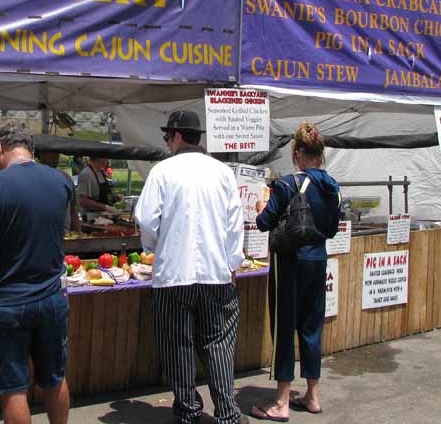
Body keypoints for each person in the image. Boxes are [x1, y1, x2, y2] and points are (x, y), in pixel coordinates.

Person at [135, 110, 248, 424]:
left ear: (177, 135)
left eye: (167, 137)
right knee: (219, 346)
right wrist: (233, 262)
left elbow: (145, 219)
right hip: (216, 273)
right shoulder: (222, 172)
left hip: (174, 275)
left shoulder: (163, 171)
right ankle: (227, 412)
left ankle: (188, 411)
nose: (167, 143)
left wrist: (155, 248)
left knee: (178, 345)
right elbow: (234, 224)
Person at [0, 121, 72, 424]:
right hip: (53, 298)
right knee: (54, 379)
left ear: (0, 147)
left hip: (9, 302)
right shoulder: (62, 181)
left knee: (14, 390)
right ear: (31, 148)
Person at [250, 121, 341, 420]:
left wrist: (263, 204)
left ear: (298, 154)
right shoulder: (332, 187)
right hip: (318, 262)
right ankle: (312, 395)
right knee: (312, 328)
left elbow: (264, 223)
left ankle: (281, 401)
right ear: (321, 154)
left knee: (285, 327)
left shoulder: (287, 184)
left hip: (289, 264)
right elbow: (330, 228)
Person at [37, 150, 81, 234]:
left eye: (57, 152)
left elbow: (73, 211)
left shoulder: (66, 178)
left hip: (64, 236)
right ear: (41, 154)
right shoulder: (32, 178)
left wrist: (79, 234)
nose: (57, 155)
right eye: (52, 151)